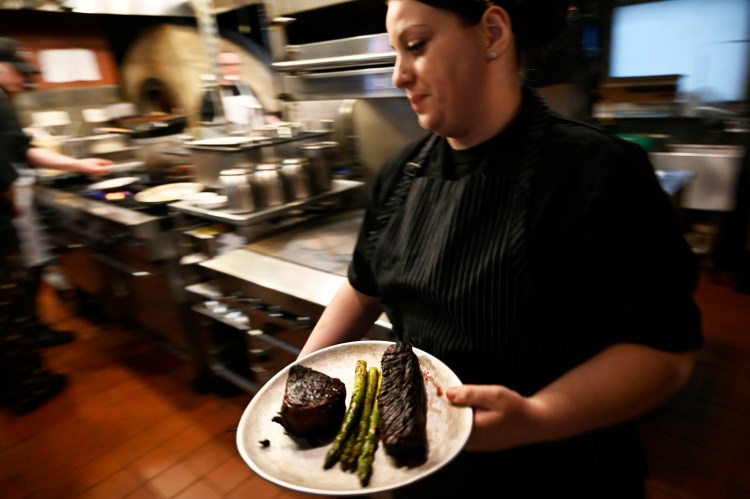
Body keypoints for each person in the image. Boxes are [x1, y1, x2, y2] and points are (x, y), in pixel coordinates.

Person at [297, 1, 703, 497]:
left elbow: (665, 352)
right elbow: (362, 289)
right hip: (423, 469)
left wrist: (537, 416)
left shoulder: (599, 173)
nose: (399, 75)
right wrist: (299, 378)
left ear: (492, 33)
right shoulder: (401, 175)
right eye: (394, 51)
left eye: (416, 45)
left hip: (559, 470)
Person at [0, 37, 113, 349]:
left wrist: (81, 165)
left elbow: (24, 151)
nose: (23, 79)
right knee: (20, 272)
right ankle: (25, 342)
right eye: (16, 71)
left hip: (17, 195)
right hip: (10, 200)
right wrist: (11, 198)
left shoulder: (5, 100)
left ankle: (31, 332)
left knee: (31, 268)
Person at [199, 49, 280, 127]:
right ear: (218, 68)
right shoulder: (212, 93)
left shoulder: (246, 88)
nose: (232, 69)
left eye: (235, 64)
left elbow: (262, 113)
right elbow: (205, 124)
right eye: (226, 65)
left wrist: (269, 119)